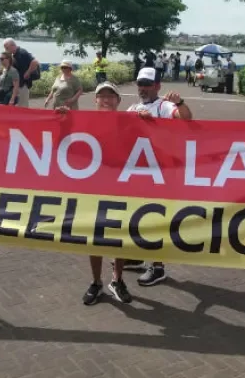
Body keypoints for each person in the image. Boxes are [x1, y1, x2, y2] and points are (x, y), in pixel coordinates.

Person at [56, 82, 133, 305]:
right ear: (95, 100)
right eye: (102, 96)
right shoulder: (84, 122)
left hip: (122, 187)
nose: (106, 99)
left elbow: (147, 140)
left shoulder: (129, 122)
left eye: (111, 96)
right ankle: (96, 282)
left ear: (118, 101)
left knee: (120, 237)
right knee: (94, 237)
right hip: (93, 188)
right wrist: (62, 121)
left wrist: (149, 122)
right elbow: (66, 144)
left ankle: (117, 279)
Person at [122, 67, 193, 286]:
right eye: (140, 84)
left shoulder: (164, 105)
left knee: (159, 219)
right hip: (140, 171)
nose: (143, 88)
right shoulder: (132, 107)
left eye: (147, 84)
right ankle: (138, 255)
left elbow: (186, 120)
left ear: (157, 86)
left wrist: (180, 103)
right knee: (137, 215)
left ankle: (158, 266)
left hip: (162, 172)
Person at [3, 38, 40, 108]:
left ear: (13, 45)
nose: (6, 50)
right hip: (19, 85)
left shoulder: (21, 52)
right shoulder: (15, 54)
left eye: (7, 48)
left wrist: (28, 72)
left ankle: (24, 118)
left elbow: (35, 62)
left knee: (22, 106)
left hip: (23, 85)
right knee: (18, 105)